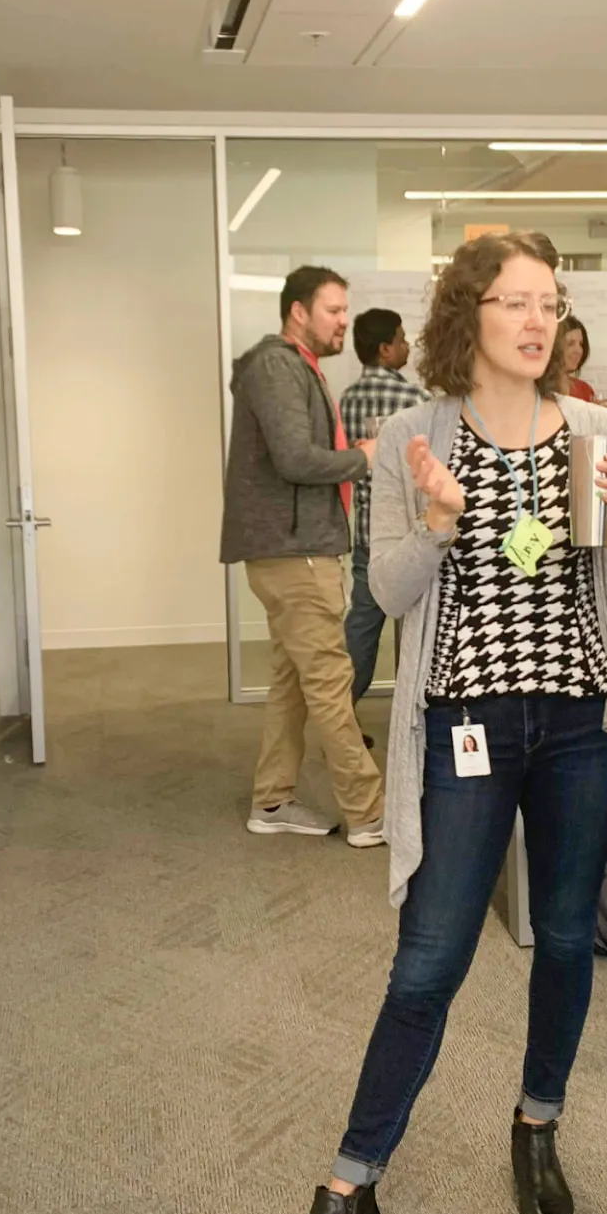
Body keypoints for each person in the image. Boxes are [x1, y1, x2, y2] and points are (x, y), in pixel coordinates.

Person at [232, 231, 607, 1214]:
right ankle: (349, 1193)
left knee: (567, 935)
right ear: (467, 315)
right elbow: (389, 589)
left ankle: (537, 1123)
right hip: (467, 724)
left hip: (577, 722)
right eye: (515, 301)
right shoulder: (413, 436)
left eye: (549, 303)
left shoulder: (597, 428)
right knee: (429, 958)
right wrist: (434, 521)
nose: (537, 320)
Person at [220, 266, 386, 848]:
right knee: (331, 683)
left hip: (298, 547)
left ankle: (272, 801)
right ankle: (369, 813)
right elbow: (295, 458)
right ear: (299, 312)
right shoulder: (276, 366)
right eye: (333, 311)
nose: (344, 322)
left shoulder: (297, 367)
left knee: (292, 683)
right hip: (296, 553)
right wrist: (364, 457)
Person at [339, 308, 430, 708]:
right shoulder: (415, 400)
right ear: (385, 349)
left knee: (362, 626)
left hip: (366, 531)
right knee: (417, 629)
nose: (407, 346)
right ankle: (415, 711)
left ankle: (341, 713)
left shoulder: (347, 399)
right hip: (411, 533)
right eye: (401, 339)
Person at [560, 313, 600, 402]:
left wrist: (597, 410)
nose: (578, 351)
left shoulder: (585, 390)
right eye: (570, 344)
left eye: (581, 344)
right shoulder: (536, 390)